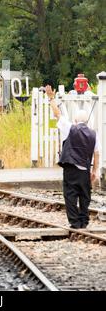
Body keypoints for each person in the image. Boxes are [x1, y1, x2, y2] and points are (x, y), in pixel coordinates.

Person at [45, 85, 100, 229]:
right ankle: (84, 221)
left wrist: (51, 98)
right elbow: (97, 153)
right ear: (87, 121)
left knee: (70, 196)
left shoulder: (69, 127)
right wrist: (95, 170)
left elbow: (58, 114)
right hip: (84, 170)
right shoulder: (94, 134)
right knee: (84, 195)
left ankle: (75, 223)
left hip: (70, 168)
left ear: (75, 120)